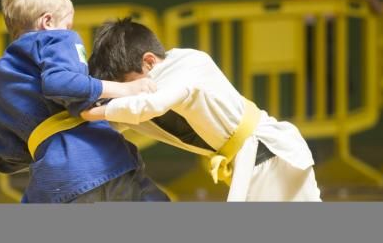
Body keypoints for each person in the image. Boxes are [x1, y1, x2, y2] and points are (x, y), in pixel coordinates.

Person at [85, 18, 321, 202]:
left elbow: (148, 106)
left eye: (125, 84)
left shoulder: (189, 62)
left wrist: (88, 111)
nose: (126, 91)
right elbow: (115, 119)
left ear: (149, 62)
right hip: (252, 163)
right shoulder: (136, 98)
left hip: (272, 154)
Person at [0, 0, 170, 203]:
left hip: (54, 178)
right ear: (47, 21)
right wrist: (124, 89)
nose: (69, 31)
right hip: (105, 159)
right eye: (68, 24)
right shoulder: (57, 39)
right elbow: (61, 84)